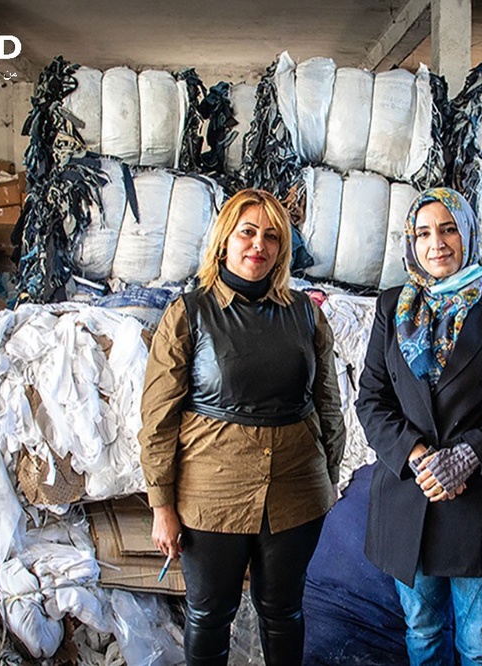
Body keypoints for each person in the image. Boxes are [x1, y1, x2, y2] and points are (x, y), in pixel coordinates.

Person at [138, 188, 346, 665]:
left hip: (296, 493)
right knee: (210, 614)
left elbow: (328, 404)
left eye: (272, 236)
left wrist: (326, 477)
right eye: (247, 232)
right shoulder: (188, 314)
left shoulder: (306, 314)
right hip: (211, 495)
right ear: (224, 240)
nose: (259, 245)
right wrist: (161, 505)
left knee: (284, 612)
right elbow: (157, 420)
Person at [356, 187, 482, 665]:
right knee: (422, 636)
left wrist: (466, 458)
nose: (437, 243)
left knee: (481, 648)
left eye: (449, 228)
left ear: (468, 233)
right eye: (424, 233)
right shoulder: (392, 308)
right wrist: (418, 457)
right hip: (411, 499)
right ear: (410, 243)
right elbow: (372, 401)